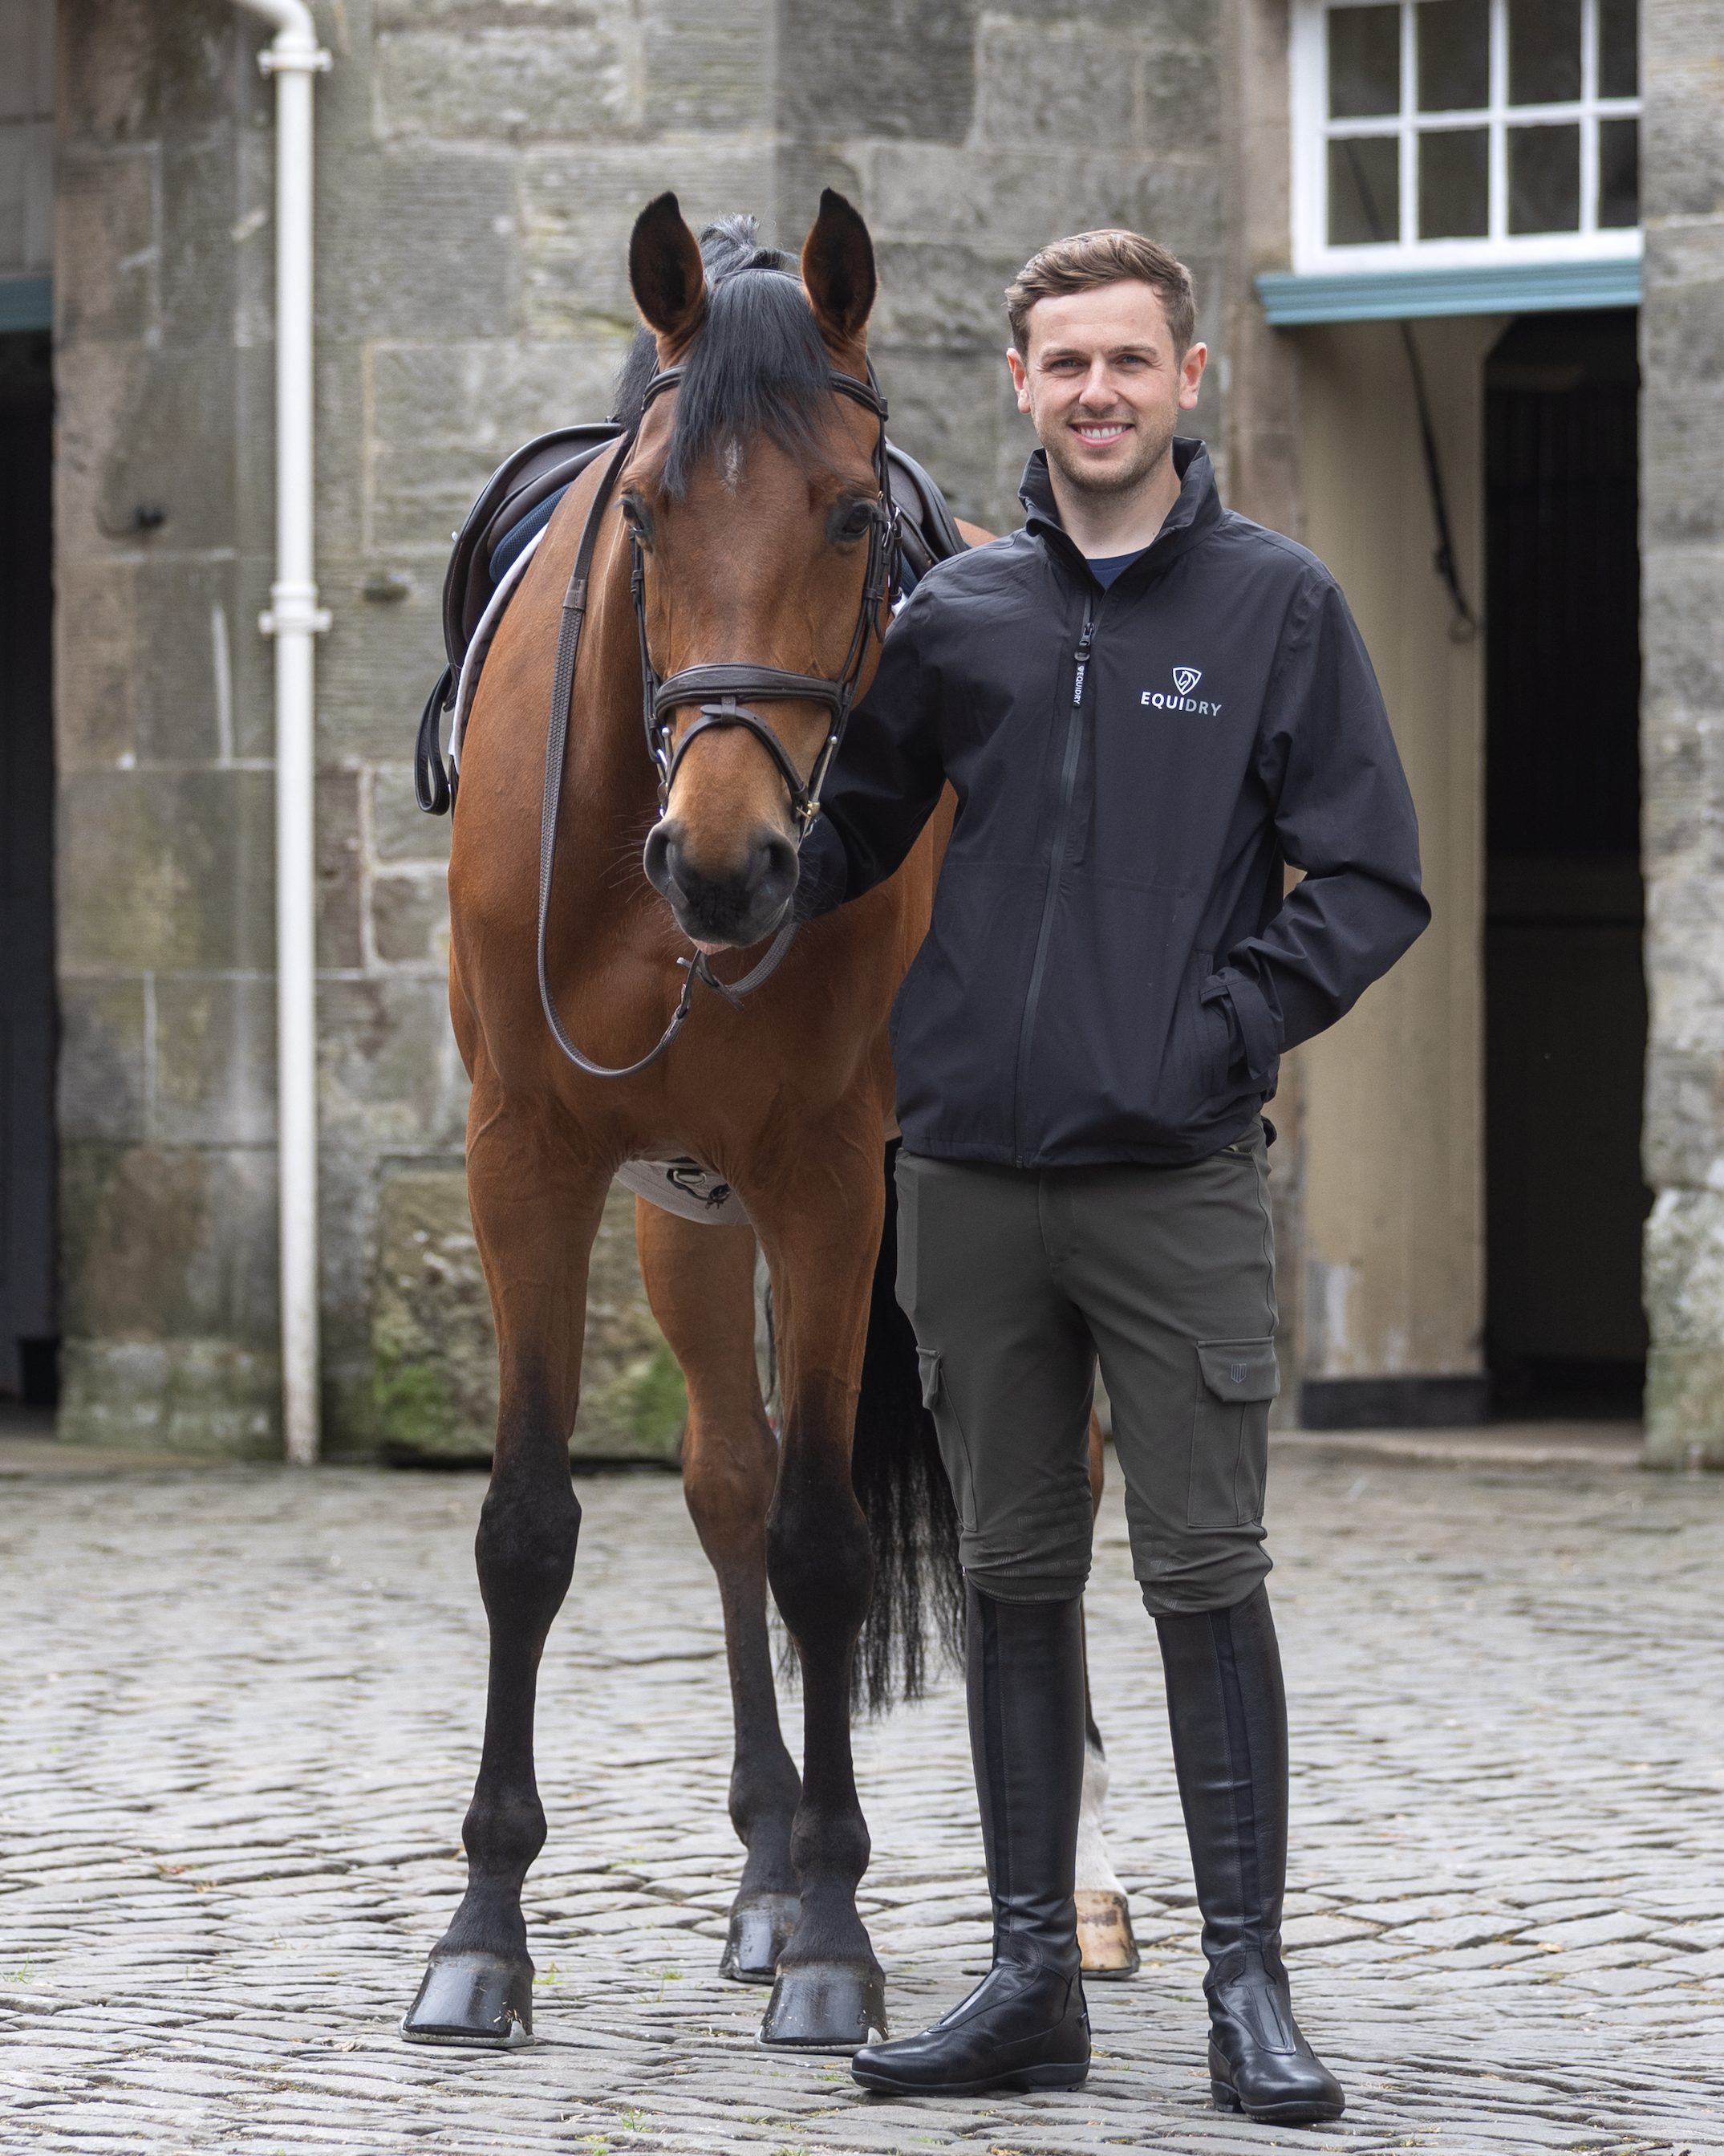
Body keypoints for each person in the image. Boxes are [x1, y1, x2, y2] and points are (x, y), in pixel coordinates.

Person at [797, 229, 1429, 2124]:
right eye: (1063, 363)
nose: (1096, 393)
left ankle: (1248, 1986)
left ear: (1187, 379)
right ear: (1021, 385)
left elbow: (1375, 882)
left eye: (1128, 363)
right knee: (1008, 1566)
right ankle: (1023, 1975)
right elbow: (854, 840)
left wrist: (1217, 1030)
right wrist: (719, 869)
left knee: (1204, 1567)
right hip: (972, 1178)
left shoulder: (1280, 609)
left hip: (1171, 1177)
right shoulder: (957, 617)